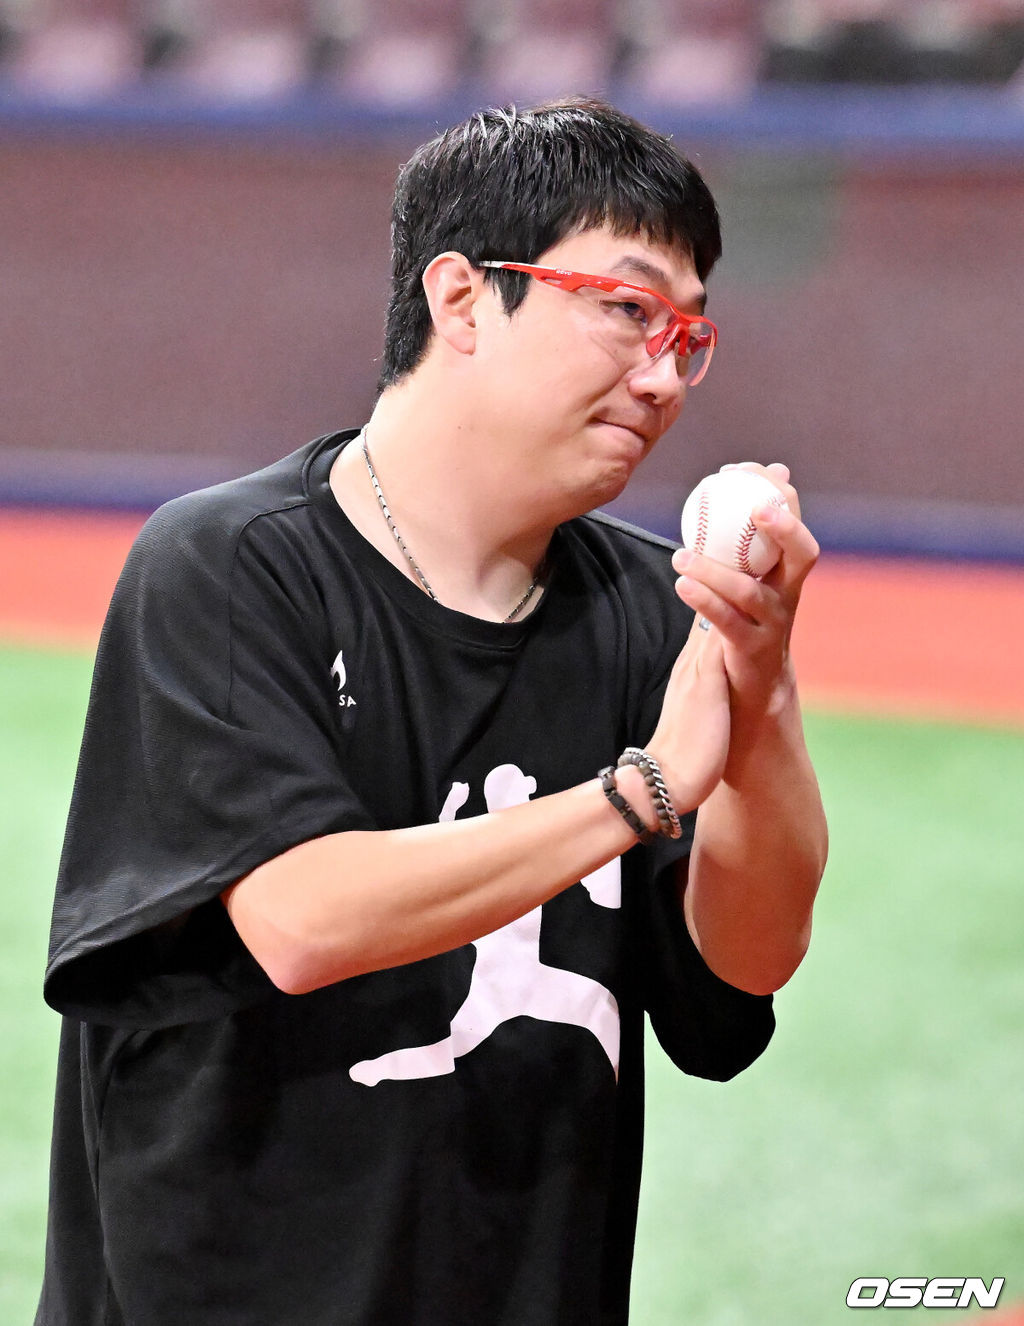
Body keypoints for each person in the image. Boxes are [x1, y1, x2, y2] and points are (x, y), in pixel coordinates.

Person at [35, 97, 827, 1326]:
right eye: (626, 310)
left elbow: (748, 965)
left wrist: (759, 684)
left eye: (688, 334)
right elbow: (298, 921)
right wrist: (640, 793)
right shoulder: (233, 565)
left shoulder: (642, 614)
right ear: (461, 298)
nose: (663, 372)